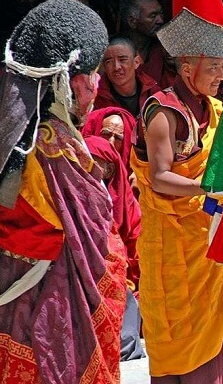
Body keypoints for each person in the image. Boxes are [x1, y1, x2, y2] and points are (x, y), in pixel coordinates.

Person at [130, 0, 223, 380]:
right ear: (188, 65)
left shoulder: (217, 109)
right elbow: (162, 177)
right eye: (215, 65)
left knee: (219, 331)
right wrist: (210, 189)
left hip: (211, 242)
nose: (222, 73)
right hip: (175, 245)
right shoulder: (163, 111)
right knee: (182, 334)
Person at [0, 0, 126, 383]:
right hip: (54, 290)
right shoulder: (53, 144)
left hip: (5, 280)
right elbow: (94, 231)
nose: (97, 85)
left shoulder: (9, 133)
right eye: (93, 74)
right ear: (67, 82)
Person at [84, 135, 146, 362]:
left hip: (119, 275)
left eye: (94, 161)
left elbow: (135, 248)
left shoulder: (125, 203)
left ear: (110, 169)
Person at [118, 0, 174, 89]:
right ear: (132, 21)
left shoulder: (165, 49)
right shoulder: (115, 52)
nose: (160, 20)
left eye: (161, 13)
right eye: (153, 16)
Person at [95, 37, 161, 117]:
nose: (116, 67)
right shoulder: (96, 98)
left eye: (122, 60)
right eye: (109, 62)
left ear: (136, 62)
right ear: (104, 67)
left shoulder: (152, 91)